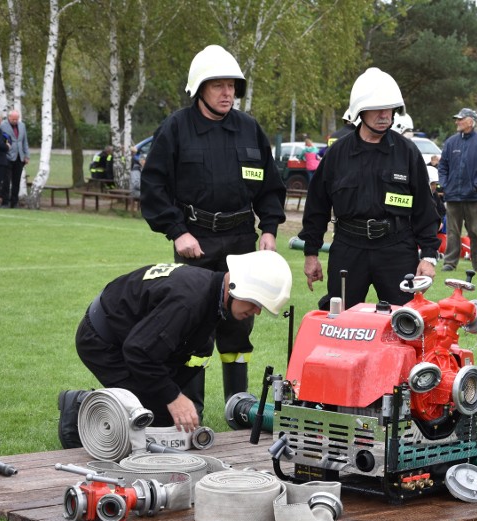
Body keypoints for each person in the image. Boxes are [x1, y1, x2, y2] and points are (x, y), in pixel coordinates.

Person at [140, 44, 286, 409]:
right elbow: (154, 188)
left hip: (241, 241)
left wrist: (268, 229)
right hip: (196, 240)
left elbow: (270, 186)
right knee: (193, 324)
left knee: (239, 324)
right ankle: (193, 406)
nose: (227, 93)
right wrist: (177, 232)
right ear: (199, 89)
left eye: (232, 86)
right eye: (218, 85)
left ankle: (238, 404)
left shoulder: (249, 129)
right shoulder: (176, 128)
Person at [60, 251, 292, 447]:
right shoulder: (188, 301)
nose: (257, 312)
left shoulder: (210, 293)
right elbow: (139, 352)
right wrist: (173, 397)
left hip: (130, 337)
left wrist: (173, 395)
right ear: (236, 288)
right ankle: (79, 407)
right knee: (151, 420)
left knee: (167, 417)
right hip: (102, 341)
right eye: (256, 303)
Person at [299, 67, 439, 310]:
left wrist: (428, 257)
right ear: (360, 112)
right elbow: (316, 208)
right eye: (377, 108)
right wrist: (311, 254)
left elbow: (424, 209)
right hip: (348, 249)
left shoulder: (407, 153)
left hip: (397, 248)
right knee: (340, 321)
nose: (385, 114)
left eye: (390, 108)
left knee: (406, 322)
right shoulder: (337, 154)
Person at [438, 107, 477, 273]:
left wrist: (475, 186)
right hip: (453, 196)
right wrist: (445, 184)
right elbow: (443, 166)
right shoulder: (451, 142)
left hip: (474, 197)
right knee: (453, 232)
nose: (457, 122)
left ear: (470, 121)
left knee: (476, 232)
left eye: (460, 119)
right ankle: (450, 262)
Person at [0, 109, 30, 208]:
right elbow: (0, 141)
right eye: (13, 119)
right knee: (6, 181)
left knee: (17, 181)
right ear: (9, 118)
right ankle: (5, 202)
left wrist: (26, 155)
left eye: (17, 119)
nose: (15, 121)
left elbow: (24, 141)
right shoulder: (3, 126)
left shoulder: (22, 126)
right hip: (7, 157)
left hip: (19, 157)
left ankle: (14, 202)